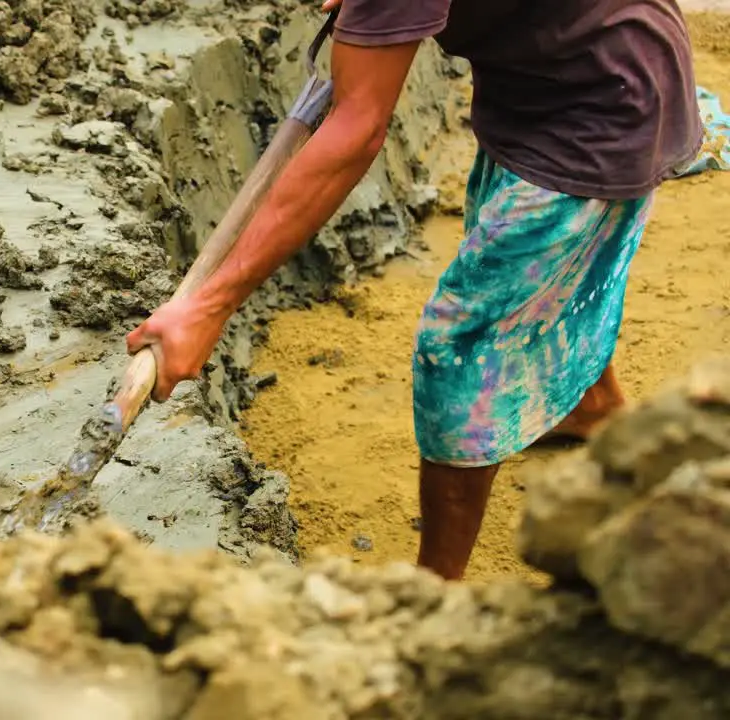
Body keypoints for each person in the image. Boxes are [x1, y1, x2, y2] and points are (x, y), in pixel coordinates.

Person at [124, 0, 701, 580]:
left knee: (460, 347)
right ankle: (590, 409)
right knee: (527, 293)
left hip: (604, 103)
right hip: (551, 76)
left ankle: (430, 595)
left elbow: (356, 131)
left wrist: (208, 305)